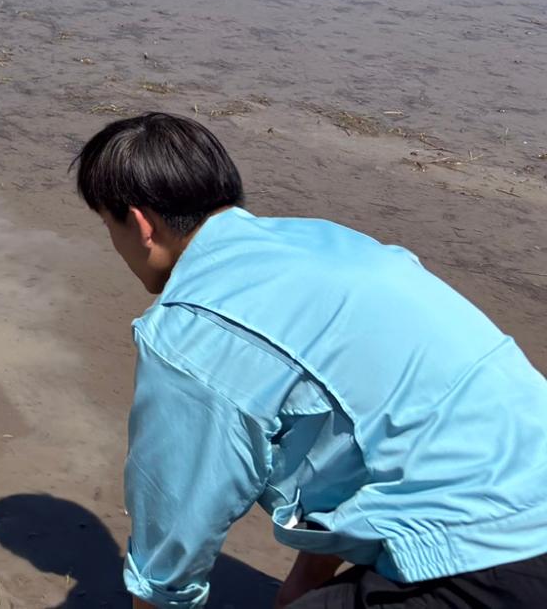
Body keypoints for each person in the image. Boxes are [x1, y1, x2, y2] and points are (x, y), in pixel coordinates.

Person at [73, 112, 547, 609]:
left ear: (142, 223)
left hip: (492, 553)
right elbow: (357, 429)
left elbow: (172, 542)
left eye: (109, 224)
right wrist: (301, 586)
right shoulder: (327, 240)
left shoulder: (190, 331)